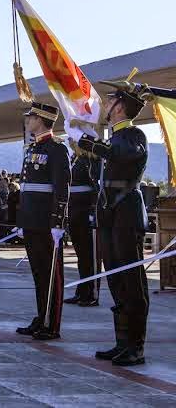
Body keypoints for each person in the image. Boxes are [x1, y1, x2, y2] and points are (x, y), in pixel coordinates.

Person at [78, 80, 149, 366]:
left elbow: (126, 155)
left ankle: (136, 346)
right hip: (109, 212)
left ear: (120, 106)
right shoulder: (112, 139)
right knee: (115, 277)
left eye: (110, 101)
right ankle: (121, 342)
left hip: (126, 212)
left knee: (132, 280)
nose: (106, 106)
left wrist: (95, 147)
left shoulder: (134, 135)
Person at [15, 102, 70, 341]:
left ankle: (51, 323)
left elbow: (61, 188)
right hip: (32, 220)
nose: (27, 121)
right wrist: (21, 220)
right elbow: (27, 189)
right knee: (38, 272)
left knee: (51, 274)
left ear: (42, 119)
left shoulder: (57, 149)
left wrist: (58, 222)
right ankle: (41, 316)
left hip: (47, 223)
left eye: (31, 117)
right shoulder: (31, 148)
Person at [65, 141, 102, 307]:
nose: (70, 143)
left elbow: (97, 187)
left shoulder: (92, 161)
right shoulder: (75, 159)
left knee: (90, 256)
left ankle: (92, 293)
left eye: (73, 140)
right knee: (81, 255)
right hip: (74, 210)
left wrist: (93, 211)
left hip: (86, 211)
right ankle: (82, 291)